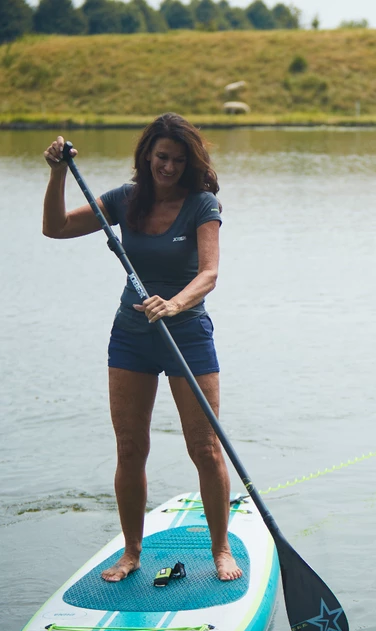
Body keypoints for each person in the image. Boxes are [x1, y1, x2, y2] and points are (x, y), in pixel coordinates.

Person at [42, 112, 242, 582]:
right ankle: (131, 553)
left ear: (189, 163)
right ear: (146, 157)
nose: (167, 167)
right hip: (131, 338)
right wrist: (56, 174)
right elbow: (55, 228)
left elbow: (209, 274)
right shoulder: (123, 200)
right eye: (160, 158)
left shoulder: (202, 204)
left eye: (176, 160)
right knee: (130, 447)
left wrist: (173, 305)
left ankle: (221, 549)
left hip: (186, 335)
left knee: (205, 448)